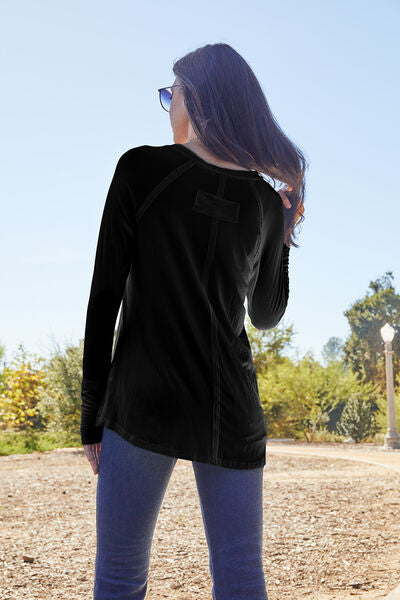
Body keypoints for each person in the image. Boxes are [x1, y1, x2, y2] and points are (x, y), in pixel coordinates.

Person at [80, 43, 306, 600]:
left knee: (120, 578)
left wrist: (91, 414)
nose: (169, 106)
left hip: (143, 401)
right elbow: (266, 315)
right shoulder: (261, 200)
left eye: (171, 94)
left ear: (197, 99)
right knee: (241, 581)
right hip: (230, 409)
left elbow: (105, 296)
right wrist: (282, 235)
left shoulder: (141, 169)